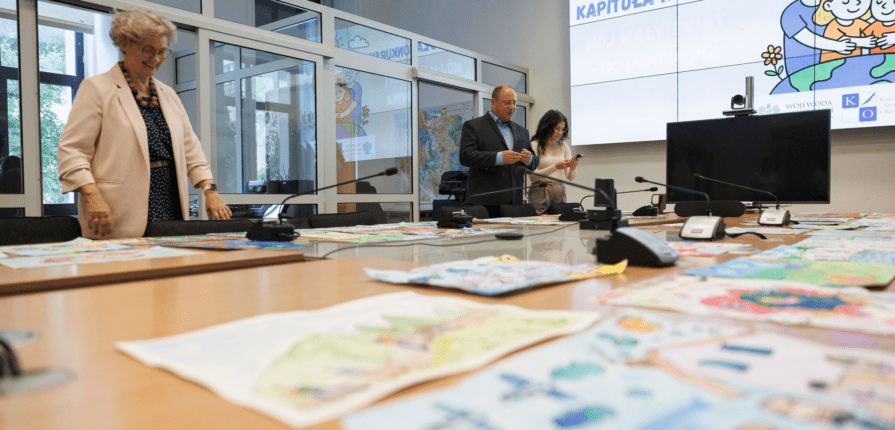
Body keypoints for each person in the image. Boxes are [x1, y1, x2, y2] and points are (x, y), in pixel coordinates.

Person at [57, 10, 230, 239]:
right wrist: (92, 196)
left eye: (162, 52)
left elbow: (191, 149)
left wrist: (210, 190)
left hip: (169, 198)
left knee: (170, 258)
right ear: (125, 44)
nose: (156, 59)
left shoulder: (168, 94)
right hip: (117, 206)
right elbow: (72, 151)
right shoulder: (97, 88)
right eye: (148, 50)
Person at [459, 85, 538, 218]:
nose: (512, 107)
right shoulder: (474, 126)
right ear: (493, 103)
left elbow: (535, 162)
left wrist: (530, 159)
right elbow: (465, 156)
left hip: (515, 204)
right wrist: (499, 158)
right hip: (485, 204)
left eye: (514, 103)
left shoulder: (522, 131)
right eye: (507, 103)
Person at [528, 110, 578, 215]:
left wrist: (573, 168)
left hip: (558, 190)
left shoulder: (564, 146)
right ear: (547, 126)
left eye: (563, 129)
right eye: (557, 128)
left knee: (559, 221)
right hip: (540, 190)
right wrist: (555, 166)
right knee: (538, 221)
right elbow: (533, 176)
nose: (560, 132)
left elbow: (570, 177)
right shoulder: (535, 145)